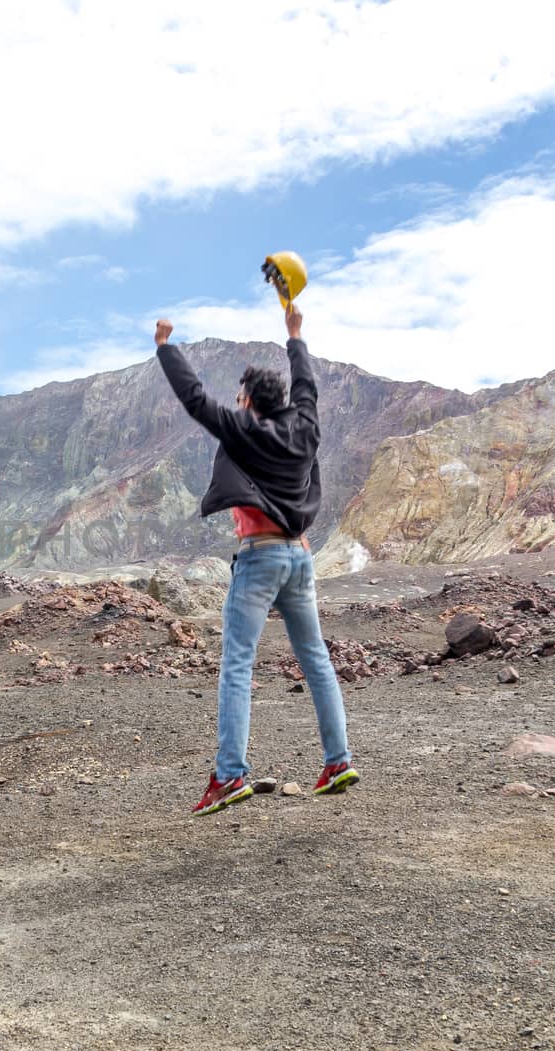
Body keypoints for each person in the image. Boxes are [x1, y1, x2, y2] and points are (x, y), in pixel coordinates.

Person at [153, 302, 357, 816]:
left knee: (238, 664)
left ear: (246, 401)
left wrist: (165, 348)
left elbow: (194, 399)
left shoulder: (245, 430)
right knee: (316, 661)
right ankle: (338, 761)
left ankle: (229, 776)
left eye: (239, 399)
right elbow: (306, 384)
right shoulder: (305, 428)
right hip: (300, 561)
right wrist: (295, 335)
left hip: (260, 558)